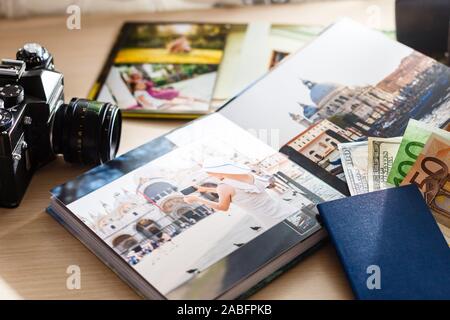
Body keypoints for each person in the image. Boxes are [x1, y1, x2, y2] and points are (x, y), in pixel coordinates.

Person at [183, 158, 298, 228]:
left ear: (217, 171)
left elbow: (222, 207)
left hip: (270, 218)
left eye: (209, 172)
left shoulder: (224, 187)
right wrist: (205, 189)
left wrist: (197, 199)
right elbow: (238, 192)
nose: (209, 175)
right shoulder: (248, 174)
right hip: (283, 209)